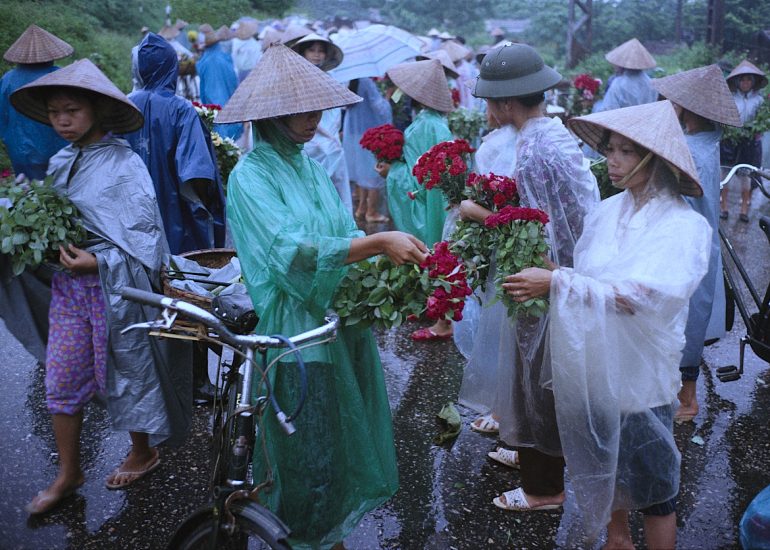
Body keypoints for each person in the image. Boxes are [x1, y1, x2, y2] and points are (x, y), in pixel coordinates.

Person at [216, 44, 427, 550]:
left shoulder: (308, 167)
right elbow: (293, 255)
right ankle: (305, 539)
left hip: (334, 322)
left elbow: (339, 232)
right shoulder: (251, 175)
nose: (314, 121)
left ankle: (329, 538)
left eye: (317, 110)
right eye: (302, 112)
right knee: (304, 454)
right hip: (295, 336)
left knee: (333, 448)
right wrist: (378, 241)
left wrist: (393, 273)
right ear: (271, 115)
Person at [507, 100, 710, 547]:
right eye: (610, 150)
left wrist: (557, 282)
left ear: (654, 160)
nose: (610, 161)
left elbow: (642, 297)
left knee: (656, 492)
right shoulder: (606, 212)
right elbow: (590, 279)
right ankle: (617, 539)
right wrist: (537, 263)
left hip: (641, 380)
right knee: (605, 468)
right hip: (597, 371)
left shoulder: (683, 227)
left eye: (625, 152)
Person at [10, 59, 191, 514]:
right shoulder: (60, 160)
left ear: (95, 110)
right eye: (54, 113)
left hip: (116, 292)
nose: (62, 120)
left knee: (128, 369)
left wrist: (100, 259)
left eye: (71, 109)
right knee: (63, 376)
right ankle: (69, 472)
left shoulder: (124, 165)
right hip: (70, 293)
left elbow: (146, 241)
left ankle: (142, 448)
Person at [470, 42, 599, 511]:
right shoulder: (552, 134)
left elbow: (531, 228)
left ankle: (545, 490)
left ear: (506, 102)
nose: (485, 108)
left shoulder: (532, 152)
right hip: (564, 273)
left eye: (488, 100)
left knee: (537, 379)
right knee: (536, 377)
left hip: (545, 279)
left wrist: (475, 211)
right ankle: (529, 455)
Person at [652, 65, 741, 422]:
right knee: (689, 319)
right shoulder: (707, 140)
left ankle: (686, 400)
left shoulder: (687, 149)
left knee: (681, 322)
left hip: (683, 248)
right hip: (698, 244)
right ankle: (682, 395)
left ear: (686, 108)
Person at [124, 32, 226, 255]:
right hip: (175, 211)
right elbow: (196, 171)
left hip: (131, 209)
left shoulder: (124, 106)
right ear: (172, 66)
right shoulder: (180, 109)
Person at [378, 59, 456, 341]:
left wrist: (392, 170)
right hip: (433, 198)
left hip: (428, 201)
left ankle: (443, 323)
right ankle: (432, 307)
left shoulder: (426, 125)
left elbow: (419, 176)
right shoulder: (435, 123)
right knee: (435, 251)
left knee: (434, 251)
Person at [0, 24, 72, 180]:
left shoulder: (7, 79)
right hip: (56, 147)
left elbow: (2, 118)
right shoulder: (59, 76)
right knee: (57, 192)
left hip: (19, 148)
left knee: (28, 193)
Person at [291, 33, 353, 211]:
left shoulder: (330, 77)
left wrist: (333, 135)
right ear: (303, 53)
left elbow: (334, 112)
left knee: (336, 184)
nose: (317, 54)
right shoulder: (298, 80)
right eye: (312, 50)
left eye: (321, 51)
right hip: (310, 139)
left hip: (331, 137)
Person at [719, 60, 767, 222]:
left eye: (748, 80)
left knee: (747, 174)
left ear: (753, 82)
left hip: (750, 142)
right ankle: (724, 207)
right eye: (742, 80)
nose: (745, 83)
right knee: (725, 173)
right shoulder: (730, 98)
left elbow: (763, 121)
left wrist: (757, 131)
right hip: (730, 141)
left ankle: (744, 209)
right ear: (737, 82)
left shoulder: (759, 101)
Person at [343, 77, 393, 222]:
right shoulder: (365, 81)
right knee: (372, 173)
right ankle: (372, 212)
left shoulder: (351, 81)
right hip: (368, 132)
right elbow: (379, 107)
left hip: (353, 132)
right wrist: (388, 98)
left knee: (361, 172)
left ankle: (362, 208)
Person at [197, 25, 241, 141]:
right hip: (232, 115)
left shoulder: (211, 62)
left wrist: (220, 138)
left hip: (221, 122)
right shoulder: (220, 58)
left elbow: (215, 98)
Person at [593, 38, 658, 113]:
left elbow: (607, 111)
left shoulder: (619, 83)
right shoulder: (651, 83)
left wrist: (596, 106)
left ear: (621, 65)